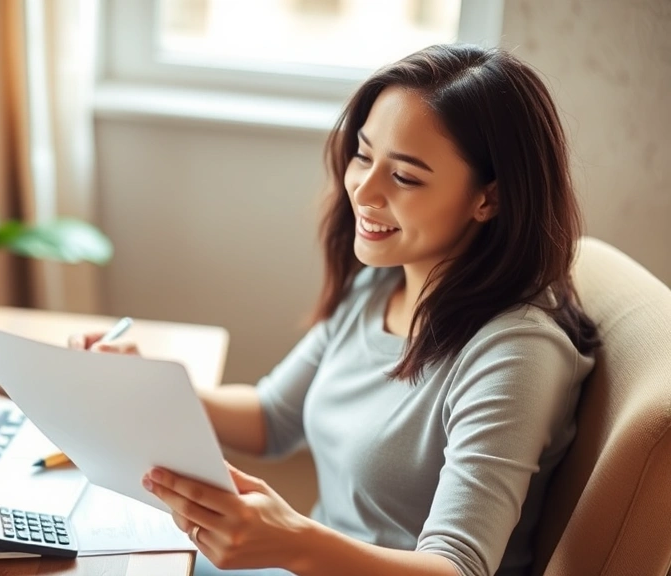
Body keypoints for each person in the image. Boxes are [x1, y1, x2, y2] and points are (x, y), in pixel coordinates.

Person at [69, 43, 599, 576]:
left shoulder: (516, 353)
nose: (363, 190)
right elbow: (273, 418)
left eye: (406, 177)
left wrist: (295, 542)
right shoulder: (380, 283)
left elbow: (458, 567)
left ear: (491, 198)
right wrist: (147, 385)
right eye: (364, 155)